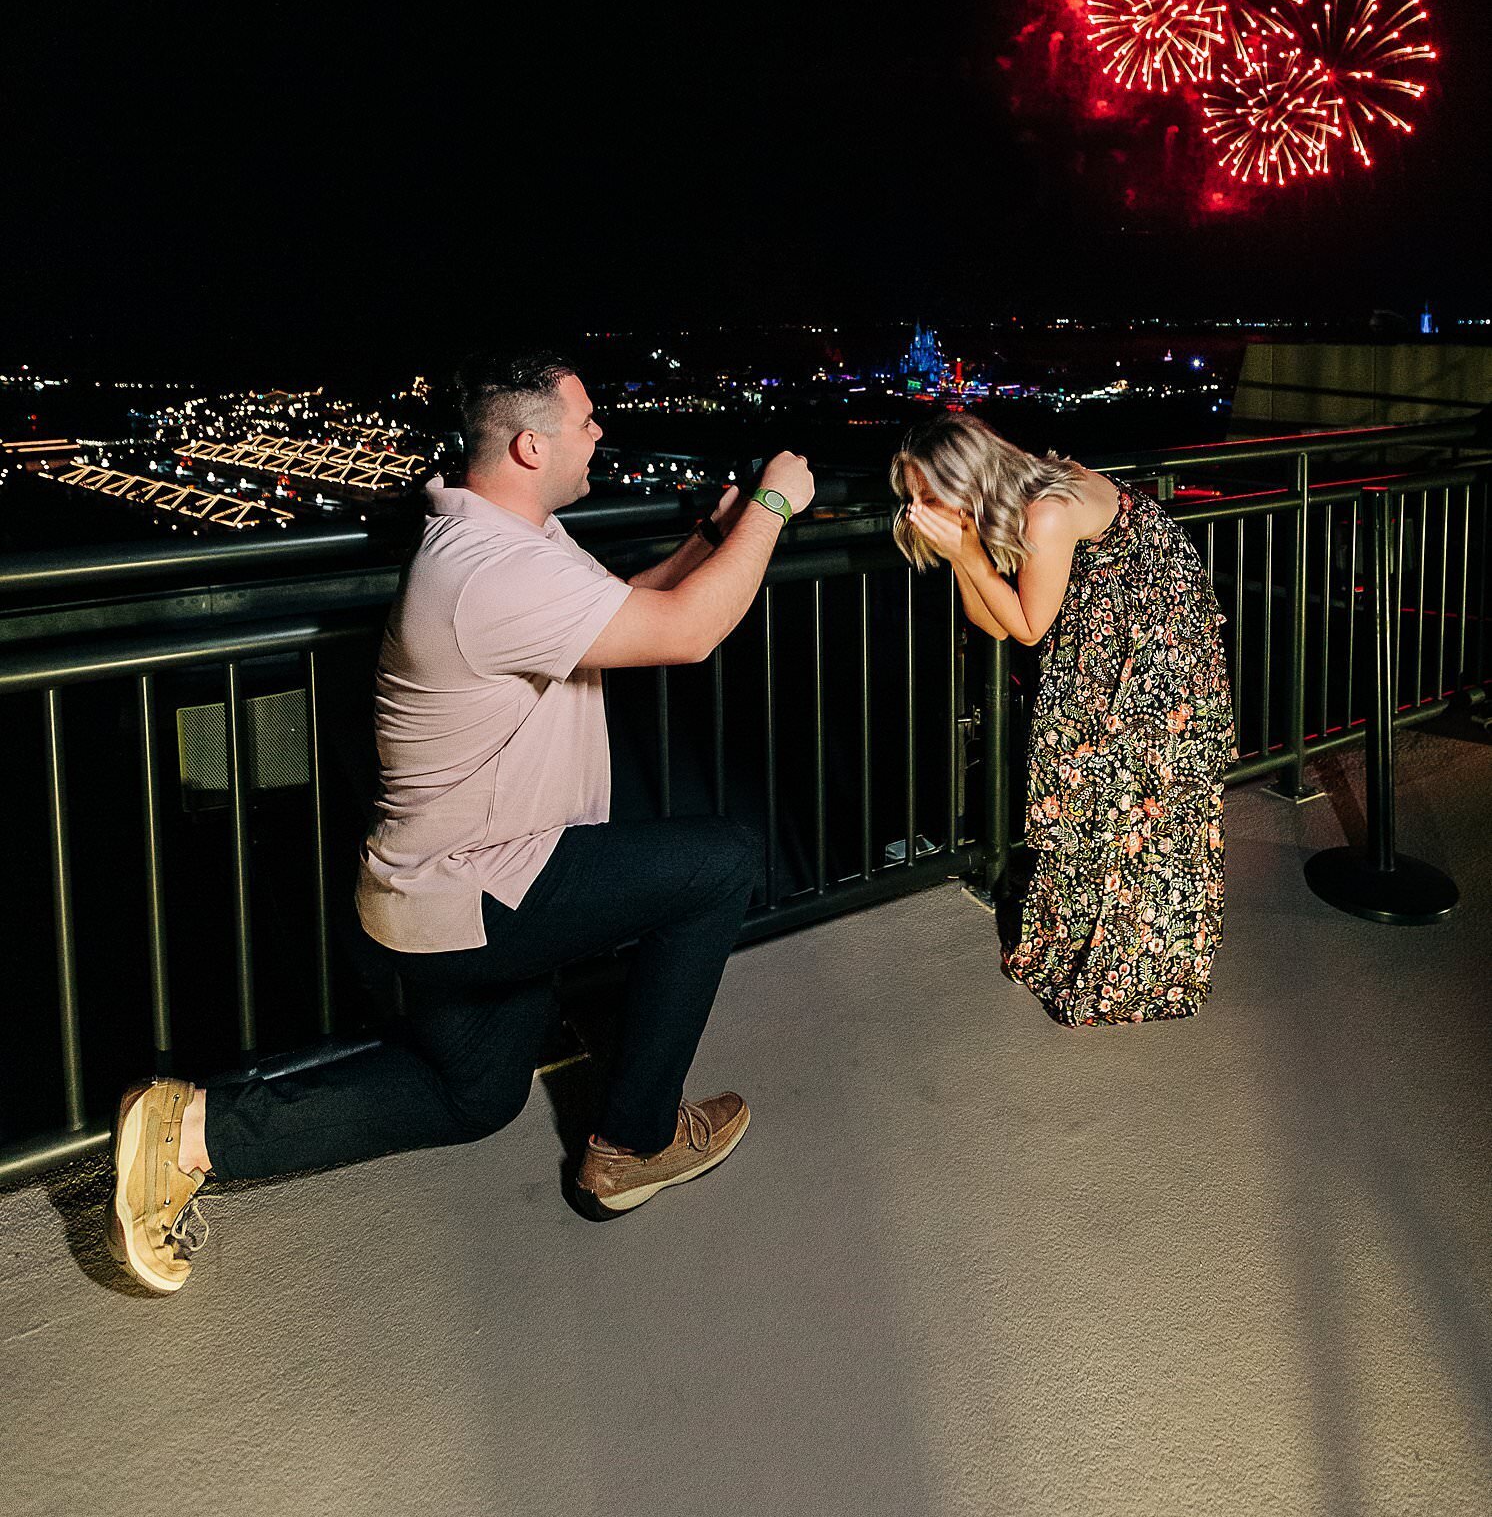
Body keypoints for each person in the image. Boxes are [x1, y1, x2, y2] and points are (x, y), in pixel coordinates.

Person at [110, 350, 815, 1293]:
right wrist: (771, 508)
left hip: (433, 896)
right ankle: (633, 1143)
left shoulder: (503, 538)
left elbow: (627, 607)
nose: (601, 433)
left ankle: (190, 1130)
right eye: (586, 421)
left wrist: (706, 537)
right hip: (481, 889)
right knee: (723, 860)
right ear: (531, 444)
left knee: (471, 1095)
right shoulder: (491, 572)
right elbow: (686, 632)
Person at [890, 413, 1232, 1027]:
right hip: (1110, 647)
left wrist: (967, 550)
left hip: (1154, 662)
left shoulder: (1046, 510)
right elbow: (992, 621)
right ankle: (1076, 952)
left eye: (927, 493)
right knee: (1083, 804)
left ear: (966, 477)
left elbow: (1025, 627)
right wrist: (967, 556)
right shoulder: (1025, 491)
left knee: (1132, 815)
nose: (919, 509)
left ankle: (1142, 977)